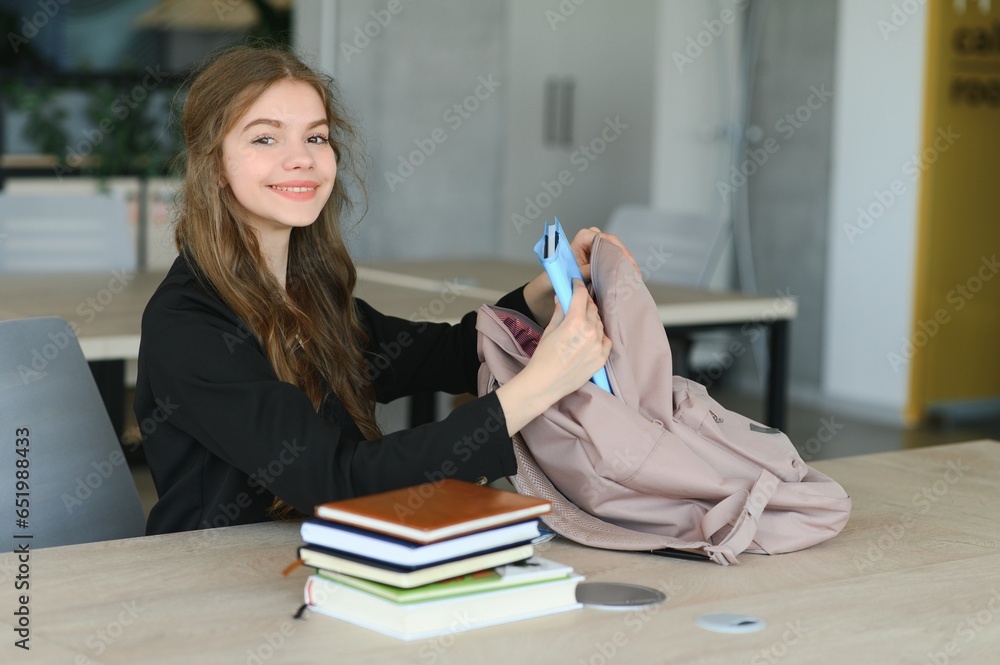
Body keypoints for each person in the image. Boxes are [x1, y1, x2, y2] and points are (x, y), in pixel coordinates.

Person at [134, 45, 632, 535]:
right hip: (214, 588)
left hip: (320, 564)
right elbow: (340, 482)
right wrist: (538, 386)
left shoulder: (309, 297)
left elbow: (448, 353)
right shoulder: (189, 323)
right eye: (265, 139)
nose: (300, 159)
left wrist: (541, 294)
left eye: (316, 137)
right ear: (215, 166)